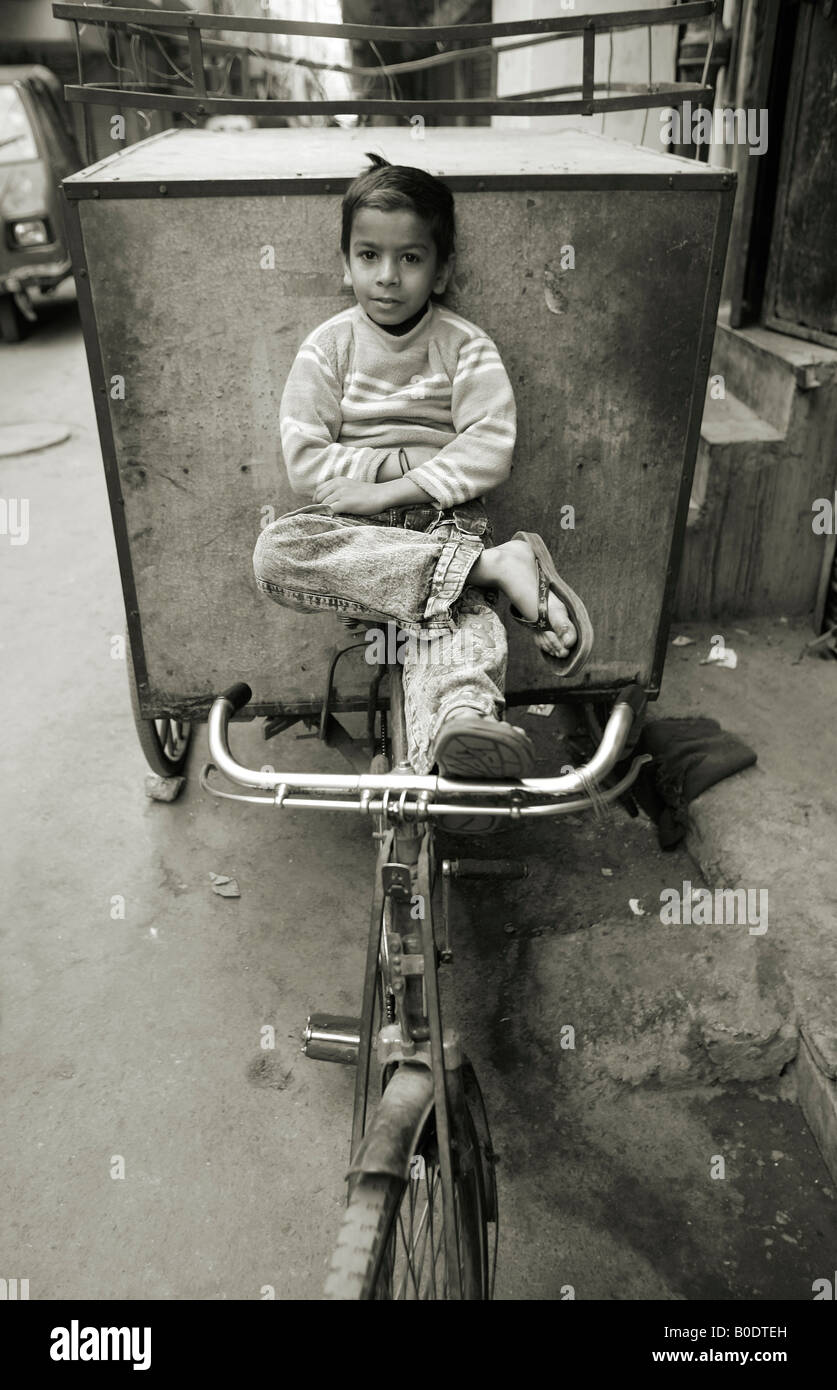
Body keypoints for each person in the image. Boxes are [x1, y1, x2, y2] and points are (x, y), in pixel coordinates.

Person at [253, 152, 592, 810]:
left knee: (453, 632)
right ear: (344, 263)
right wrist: (404, 468)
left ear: (442, 272)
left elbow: (489, 451)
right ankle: (493, 567)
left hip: (440, 523)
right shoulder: (328, 348)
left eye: (410, 258)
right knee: (275, 553)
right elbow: (305, 462)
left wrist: (385, 488)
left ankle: (463, 736)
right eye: (368, 256)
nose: (387, 277)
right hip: (355, 539)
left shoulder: (464, 346)